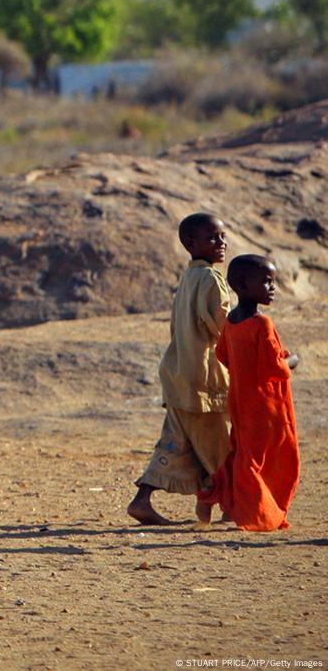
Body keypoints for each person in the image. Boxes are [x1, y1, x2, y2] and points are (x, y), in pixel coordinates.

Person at [126, 212, 231, 527]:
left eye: (223, 237)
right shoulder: (211, 280)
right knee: (219, 450)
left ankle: (142, 500)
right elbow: (223, 328)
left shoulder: (189, 277)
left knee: (175, 444)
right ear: (190, 243)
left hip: (176, 376)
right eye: (213, 238)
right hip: (203, 382)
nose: (221, 243)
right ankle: (231, 505)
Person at [197, 256, 299, 531]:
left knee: (242, 453)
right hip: (267, 405)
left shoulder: (231, 322)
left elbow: (223, 355)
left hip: (241, 401)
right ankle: (256, 513)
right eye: (266, 281)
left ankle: (217, 494)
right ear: (242, 284)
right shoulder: (260, 323)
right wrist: (292, 360)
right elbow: (273, 367)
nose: (272, 288)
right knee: (271, 459)